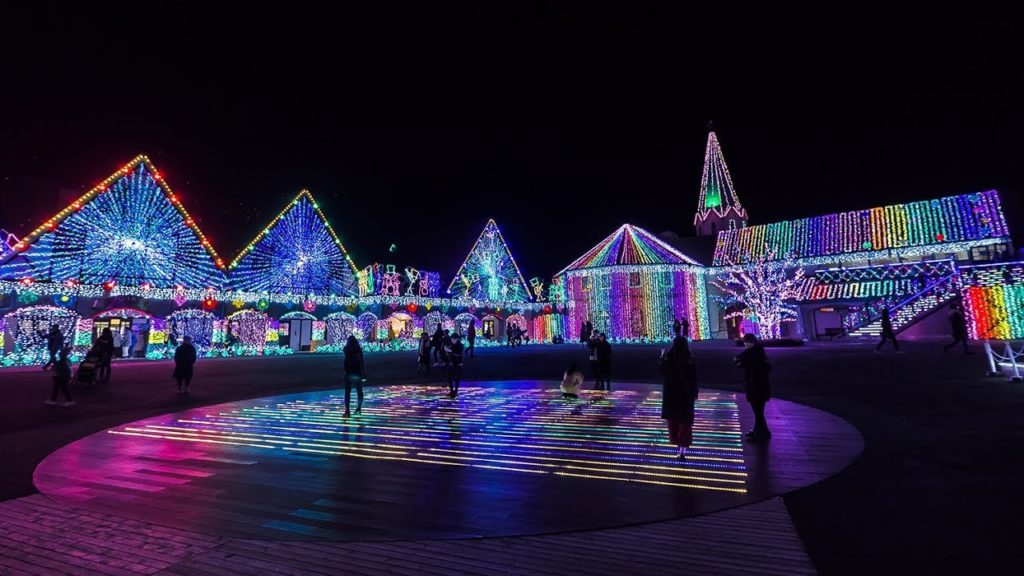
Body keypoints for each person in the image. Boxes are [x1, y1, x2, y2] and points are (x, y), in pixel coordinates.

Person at [661, 335, 698, 459]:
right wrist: (694, 393)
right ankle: (682, 451)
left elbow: (662, 372)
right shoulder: (690, 359)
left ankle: (679, 449)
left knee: (674, 424)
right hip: (686, 397)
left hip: (672, 397)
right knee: (685, 425)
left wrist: (662, 358)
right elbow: (694, 378)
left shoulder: (669, 358)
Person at [735, 333, 771, 441]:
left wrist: (740, 362)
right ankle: (759, 430)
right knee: (758, 411)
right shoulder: (756, 352)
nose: (746, 344)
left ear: (752, 342)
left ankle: (762, 432)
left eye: (747, 342)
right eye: (745, 342)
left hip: (757, 386)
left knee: (758, 411)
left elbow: (746, 365)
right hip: (757, 386)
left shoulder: (754, 354)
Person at [343, 335, 366, 416]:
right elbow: (361, 362)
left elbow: (346, 361)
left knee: (347, 392)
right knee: (359, 392)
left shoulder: (346, 350)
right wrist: (363, 374)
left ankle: (347, 410)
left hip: (348, 373)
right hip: (357, 373)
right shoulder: (358, 351)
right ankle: (358, 409)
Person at [447, 333, 464, 398]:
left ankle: (455, 391)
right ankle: (452, 391)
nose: (452, 340)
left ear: (457, 339)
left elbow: (459, 355)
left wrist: (450, 352)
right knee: (449, 377)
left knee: (457, 378)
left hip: (458, 363)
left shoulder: (460, 345)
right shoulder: (452, 345)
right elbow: (450, 354)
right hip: (451, 363)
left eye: (453, 339)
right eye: (452, 339)